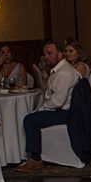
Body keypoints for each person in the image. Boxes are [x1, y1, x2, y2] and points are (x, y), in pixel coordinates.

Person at [16, 41, 82, 172]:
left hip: (65, 113)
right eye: (44, 54)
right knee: (33, 116)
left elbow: (57, 102)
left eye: (50, 53)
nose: (46, 57)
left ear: (59, 54)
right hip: (65, 110)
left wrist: (40, 109)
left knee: (29, 120)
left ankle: (35, 159)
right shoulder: (60, 69)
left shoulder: (63, 73)